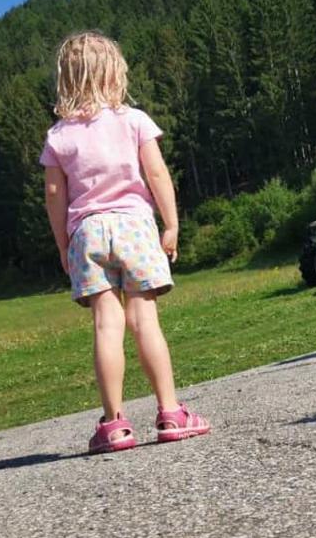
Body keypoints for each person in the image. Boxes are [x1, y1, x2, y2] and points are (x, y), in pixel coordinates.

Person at [41, 31, 210, 454]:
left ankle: (114, 424)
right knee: (144, 319)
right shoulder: (134, 120)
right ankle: (170, 412)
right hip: (134, 225)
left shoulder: (59, 136)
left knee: (106, 324)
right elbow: (156, 174)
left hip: (86, 232)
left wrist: (63, 245)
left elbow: (55, 196)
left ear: (65, 80)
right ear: (116, 74)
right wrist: (170, 223)